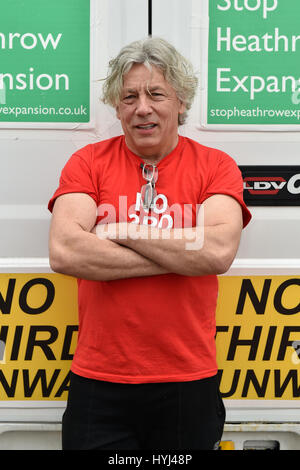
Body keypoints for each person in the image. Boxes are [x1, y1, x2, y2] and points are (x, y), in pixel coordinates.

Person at [48, 37, 251, 450]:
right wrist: (182, 253)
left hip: (187, 383)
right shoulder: (88, 163)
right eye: (129, 97)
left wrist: (123, 230)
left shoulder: (216, 166)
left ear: (180, 101)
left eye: (156, 94)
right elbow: (66, 250)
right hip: (100, 382)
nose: (142, 107)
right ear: (117, 106)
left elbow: (217, 252)